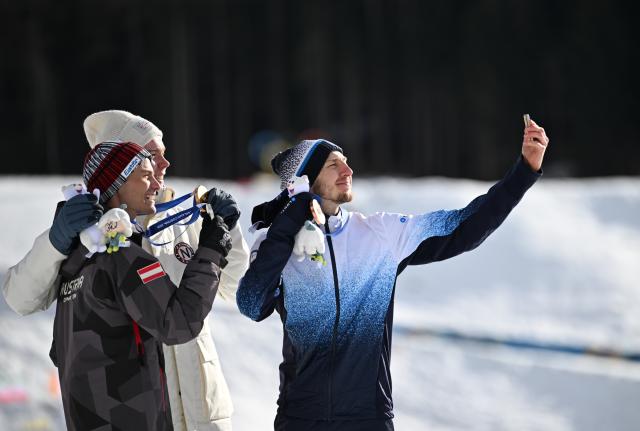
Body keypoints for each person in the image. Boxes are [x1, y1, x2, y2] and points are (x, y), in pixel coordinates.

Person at [237, 120, 550, 430]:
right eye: (334, 165)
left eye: (346, 163)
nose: (348, 171)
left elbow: (464, 227)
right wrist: (289, 224)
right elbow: (252, 304)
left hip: (368, 419)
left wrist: (523, 172)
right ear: (305, 181)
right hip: (301, 419)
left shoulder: (379, 234)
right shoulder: (273, 243)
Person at [2, 110, 249, 430]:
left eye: (164, 154)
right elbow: (20, 298)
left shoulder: (183, 216)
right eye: (152, 155)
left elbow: (233, 284)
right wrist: (55, 240)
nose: (165, 164)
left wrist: (228, 228)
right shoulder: (83, 229)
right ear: (124, 163)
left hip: (201, 409)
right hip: (135, 410)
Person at [52, 141, 233, 430]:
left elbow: (59, 352)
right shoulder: (120, 256)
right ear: (117, 183)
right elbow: (179, 323)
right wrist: (213, 249)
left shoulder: (76, 259)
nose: (155, 184)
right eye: (145, 176)